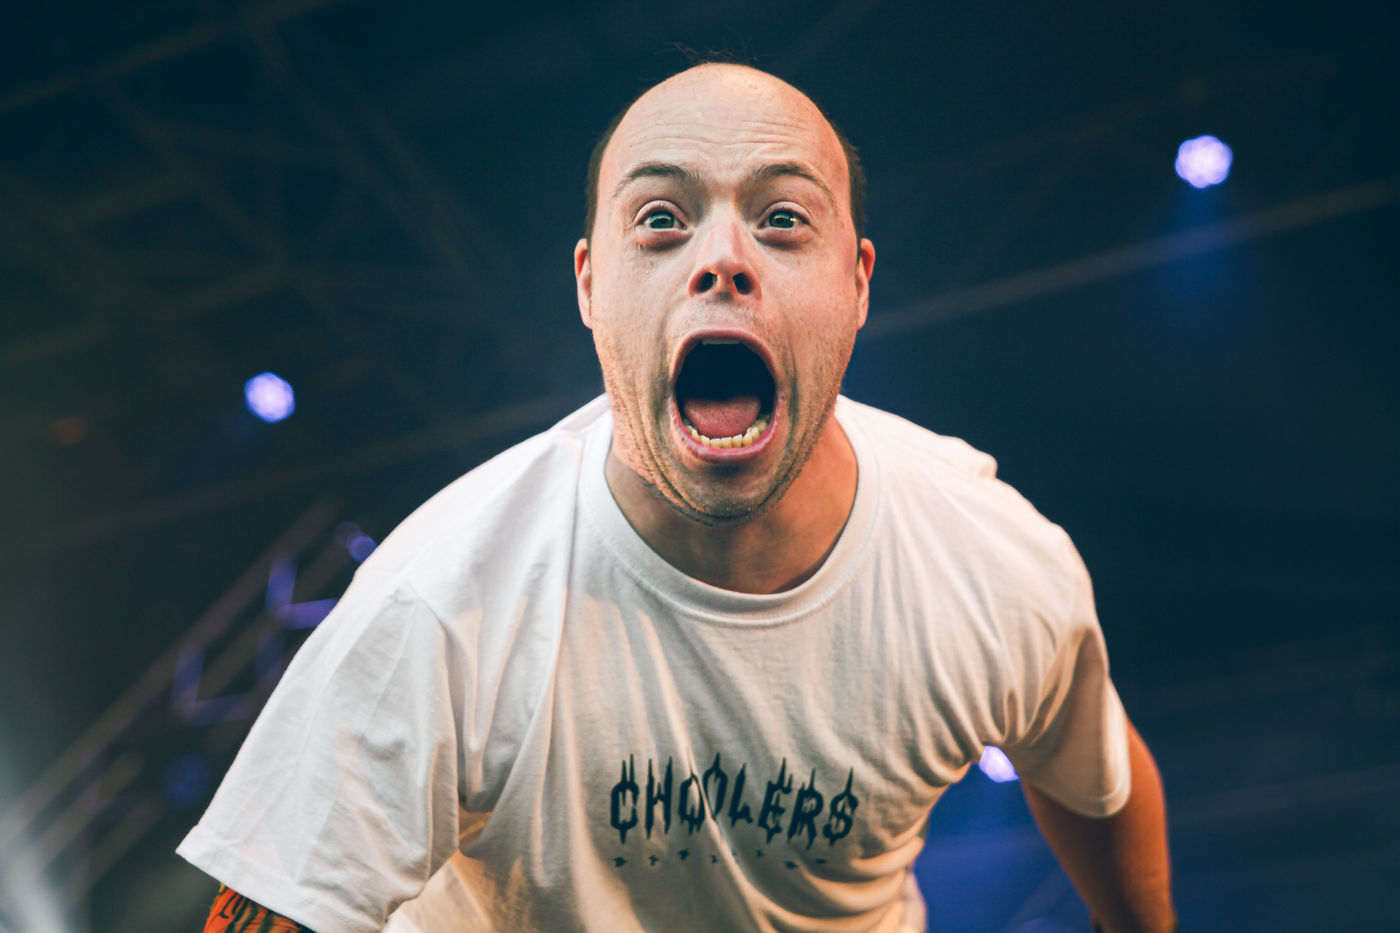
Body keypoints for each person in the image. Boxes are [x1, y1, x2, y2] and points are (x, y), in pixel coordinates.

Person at [180, 62, 1177, 932]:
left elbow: (1098, 777)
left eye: (783, 220)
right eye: (660, 220)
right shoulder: (437, 604)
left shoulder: (987, 562)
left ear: (857, 284)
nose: (722, 258)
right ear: (589, 287)